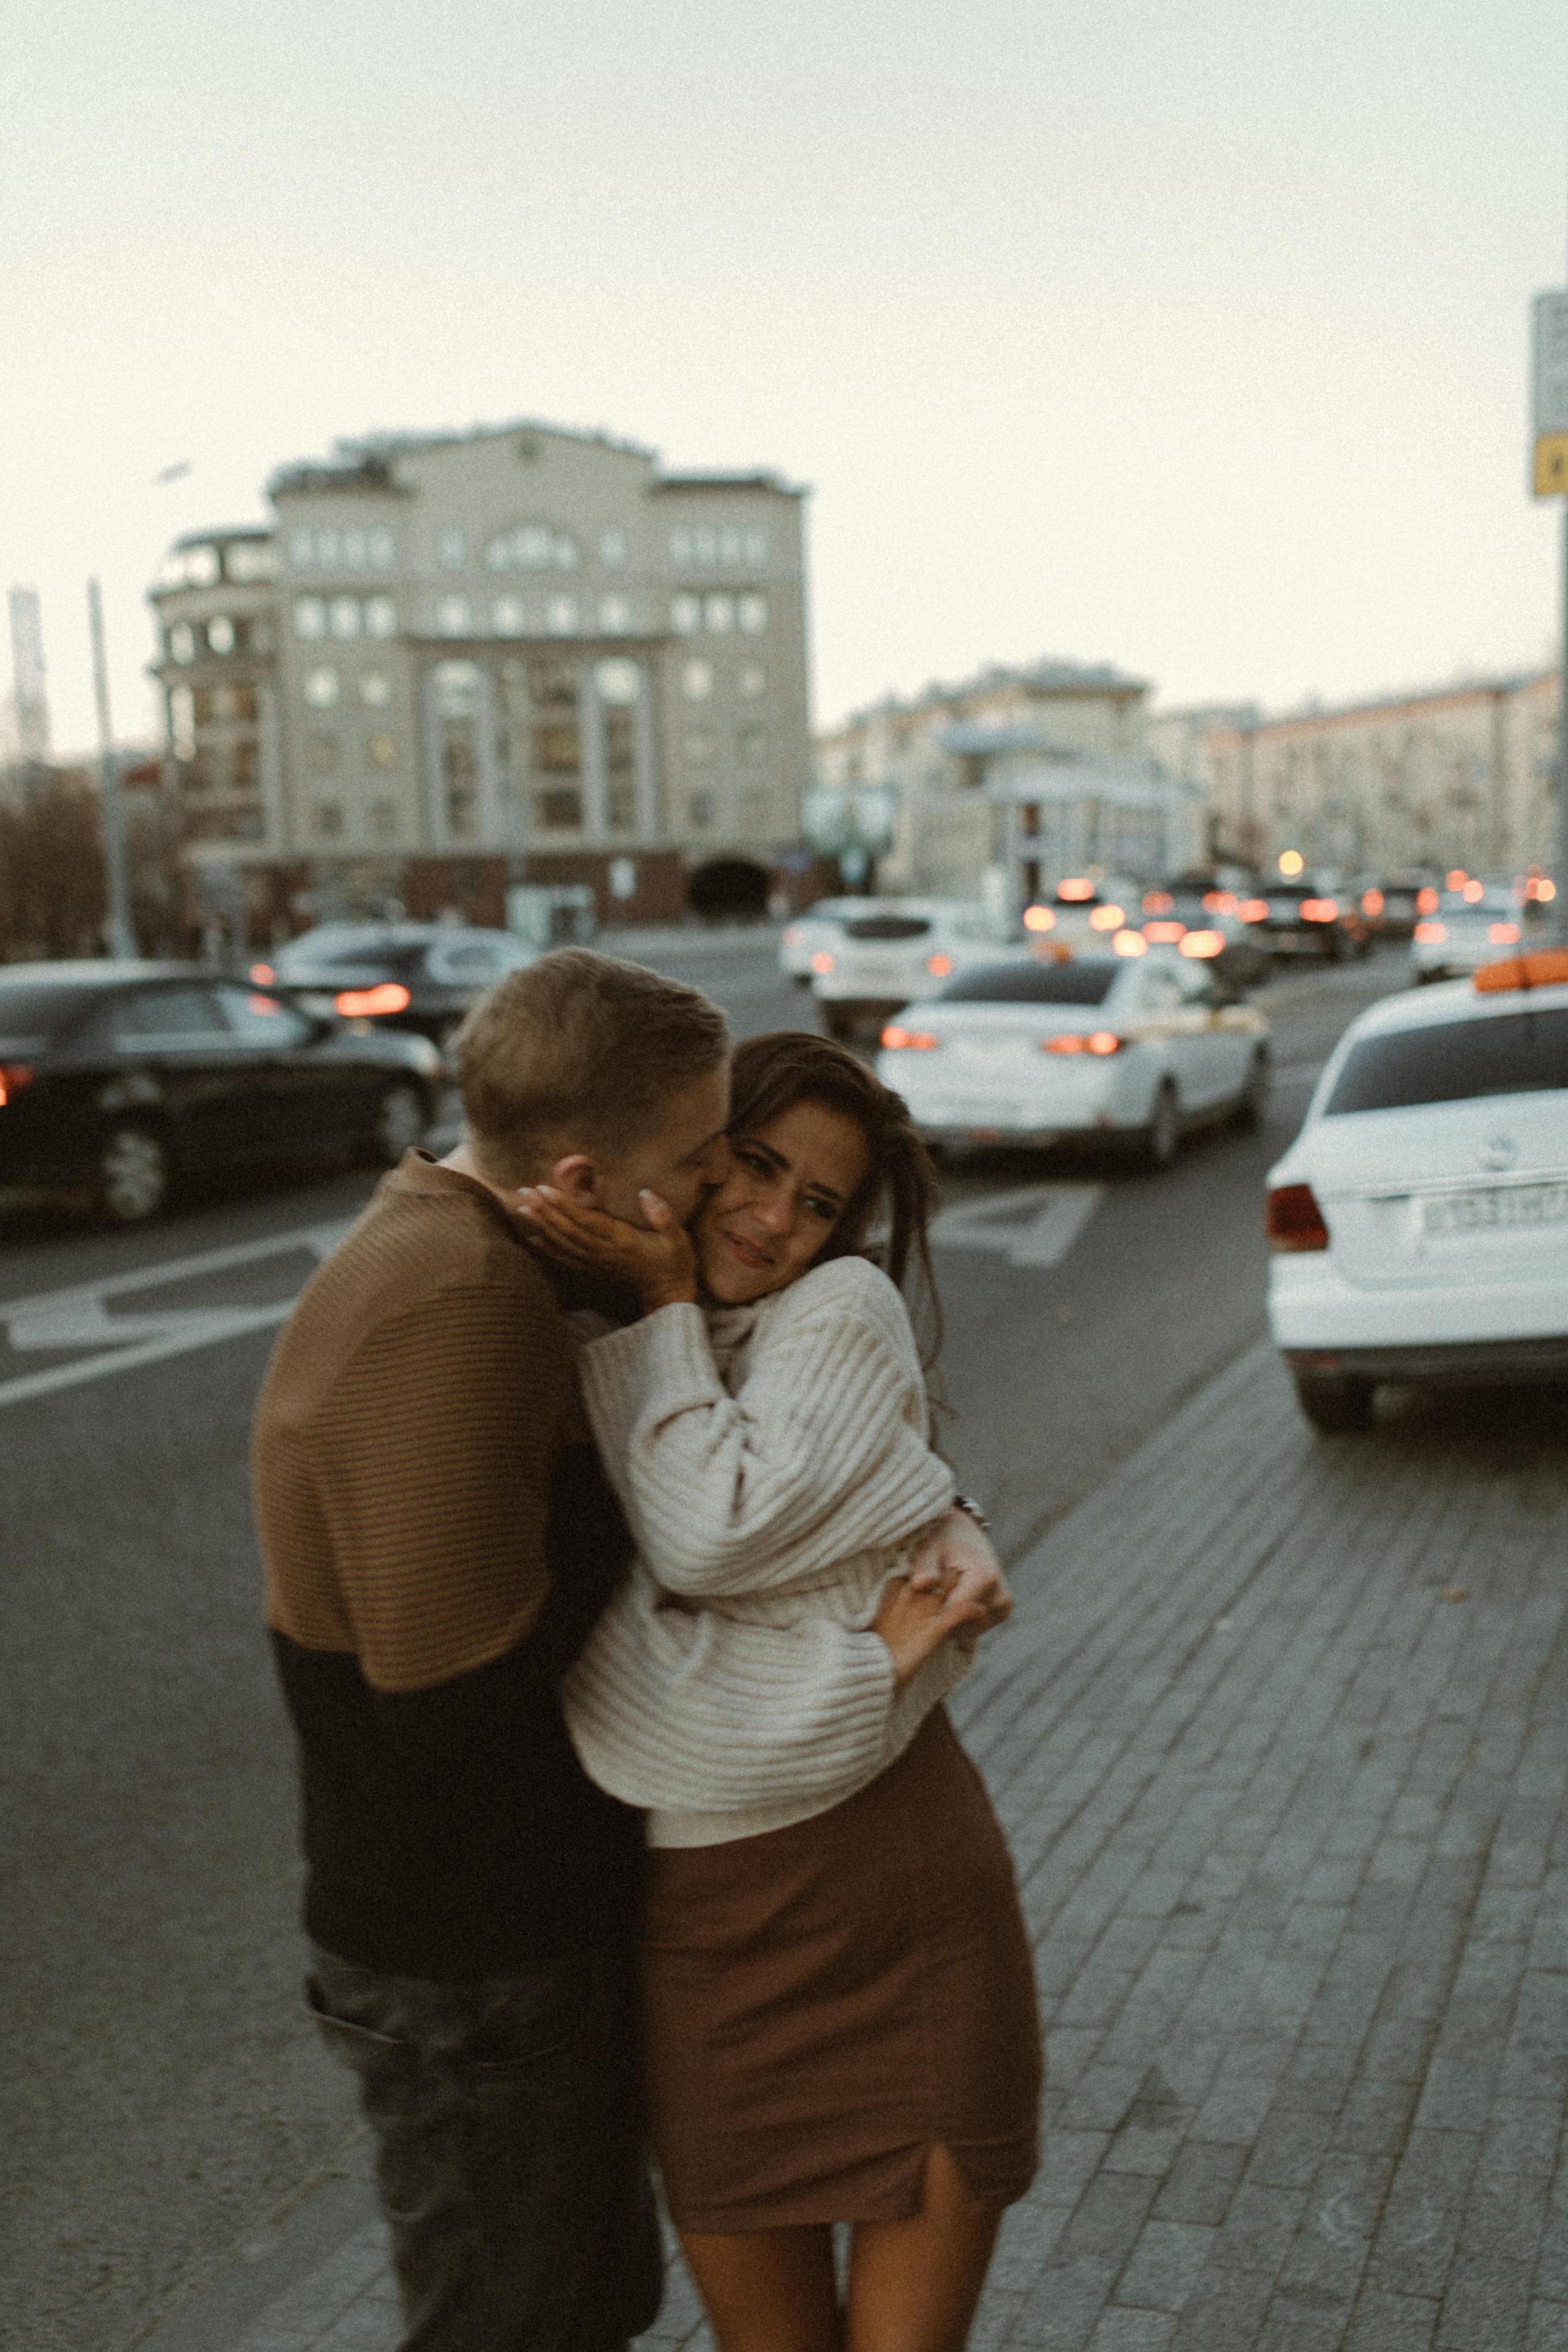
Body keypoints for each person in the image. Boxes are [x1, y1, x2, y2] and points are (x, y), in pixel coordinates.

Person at [252, 951, 1008, 2352]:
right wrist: (862, 1662)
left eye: (804, 1191)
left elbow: (757, 1470)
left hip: (646, 1922)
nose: (736, 1192)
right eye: (718, 1154)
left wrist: (926, 1502)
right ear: (587, 1175)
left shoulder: (546, 1271)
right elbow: (476, 1696)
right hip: (492, 1957)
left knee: (585, 2308)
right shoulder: (485, 1298)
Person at [524, 1031, 1042, 2352]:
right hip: (708, 1940)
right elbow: (621, 1684)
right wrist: (867, 1660)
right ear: (696, 1152)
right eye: (753, 1166)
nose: (772, 1219)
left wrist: (661, 1317)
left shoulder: (838, 1310)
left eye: (817, 1201)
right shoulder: (580, 1332)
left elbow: (707, 1537)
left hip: (900, 1894)